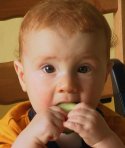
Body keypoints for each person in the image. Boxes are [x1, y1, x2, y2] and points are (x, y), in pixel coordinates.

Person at [0, 0, 125, 147]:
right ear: (22, 76)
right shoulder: (13, 130)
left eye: (83, 69)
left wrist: (104, 141)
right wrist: (30, 141)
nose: (67, 85)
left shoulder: (115, 128)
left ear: (105, 75)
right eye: (49, 68)